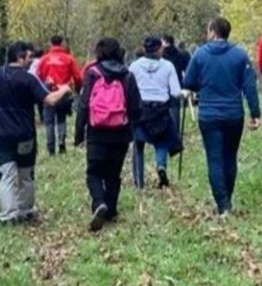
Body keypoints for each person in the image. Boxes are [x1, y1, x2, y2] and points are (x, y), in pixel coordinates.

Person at [0, 41, 72, 224]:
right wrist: (64, 90)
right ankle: (26, 210)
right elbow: (50, 100)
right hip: (25, 134)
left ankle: (8, 215)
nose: (31, 61)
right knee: (25, 173)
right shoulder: (28, 79)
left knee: (5, 174)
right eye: (29, 57)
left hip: (2, 135)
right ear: (20, 57)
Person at [183, 17, 260, 215]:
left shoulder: (200, 55)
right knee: (230, 157)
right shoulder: (240, 55)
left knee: (214, 159)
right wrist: (255, 113)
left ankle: (223, 205)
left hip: (209, 114)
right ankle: (228, 198)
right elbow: (250, 86)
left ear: (213, 32)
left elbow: (189, 82)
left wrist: (203, 83)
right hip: (234, 113)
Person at [75, 37, 142, 231]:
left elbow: (83, 104)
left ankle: (99, 202)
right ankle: (111, 210)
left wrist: (79, 133)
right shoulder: (127, 75)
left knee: (94, 172)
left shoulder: (93, 74)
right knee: (114, 173)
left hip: (97, 132)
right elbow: (136, 108)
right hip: (120, 132)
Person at [129, 36, 182, 189]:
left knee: (138, 145)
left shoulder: (134, 66)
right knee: (161, 141)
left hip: (141, 110)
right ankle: (161, 166)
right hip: (161, 109)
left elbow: (130, 89)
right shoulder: (168, 66)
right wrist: (184, 94)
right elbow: (175, 92)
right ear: (159, 49)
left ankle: (139, 182)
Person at [37, 35, 83, 155]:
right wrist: (78, 90)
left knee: (49, 121)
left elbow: (38, 76)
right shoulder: (68, 59)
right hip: (64, 92)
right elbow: (78, 77)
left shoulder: (44, 59)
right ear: (62, 43)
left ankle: (51, 147)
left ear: (50, 43)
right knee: (61, 118)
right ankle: (62, 143)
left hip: (48, 92)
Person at [162, 34, 190, 144]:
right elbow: (187, 69)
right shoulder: (181, 54)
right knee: (175, 109)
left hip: (163, 86)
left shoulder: (161, 55)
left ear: (164, 41)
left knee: (165, 110)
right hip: (177, 84)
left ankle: (165, 132)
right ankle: (175, 134)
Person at [29, 49, 45, 124]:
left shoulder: (32, 62)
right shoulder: (41, 62)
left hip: (30, 82)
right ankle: (42, 117)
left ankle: (33, 117)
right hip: (39, 83)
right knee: (41, 103)